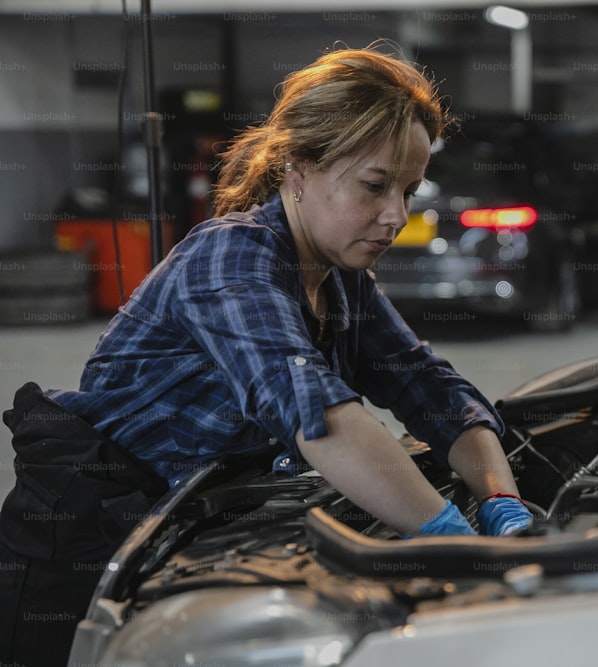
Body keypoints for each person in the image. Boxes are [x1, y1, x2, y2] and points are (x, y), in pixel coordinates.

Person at [0, 45, 533, 666]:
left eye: (409, 190)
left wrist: (504, 504)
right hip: (82, 543)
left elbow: (429, 388)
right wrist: (449, 539)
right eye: (374, 185)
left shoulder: (340, 281)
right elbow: (318, 416)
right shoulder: (229, 258)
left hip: (190, 528)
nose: (395, 215)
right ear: (296, 167)